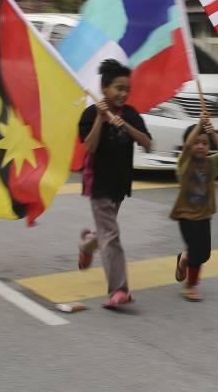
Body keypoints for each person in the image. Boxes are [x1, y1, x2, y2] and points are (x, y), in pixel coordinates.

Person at [77, 59, 152, 310]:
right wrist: (101, 119)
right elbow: (89, 146)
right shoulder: (89, 114)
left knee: (105, 233)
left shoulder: (130, 113)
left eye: (126, 89)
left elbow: (147, 142)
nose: (123, 94)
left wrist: (127, 127)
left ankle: (87, 242)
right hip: (98, 183)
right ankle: (119, 290)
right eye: (118, 88)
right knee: (111, 234)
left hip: (119, 183)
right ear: (104, 88)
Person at [170, 111, 218, 302]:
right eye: (197, 142)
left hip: (205, 214)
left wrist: (212, 133)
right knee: (196, 249)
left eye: (204, 143)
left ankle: (185, 258)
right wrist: (199, 124)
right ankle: (190, 286)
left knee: (204, 253)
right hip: (185, 214)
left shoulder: (211, 163)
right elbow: (187, 145)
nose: (200, 146)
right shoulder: (184, 163)